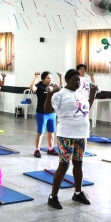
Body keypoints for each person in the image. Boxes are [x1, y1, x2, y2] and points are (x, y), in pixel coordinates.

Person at [44, 69, 97, 209]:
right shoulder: (60, 94)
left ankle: (78, 193)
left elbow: (87, 108)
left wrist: (93, 93)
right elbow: (47, 109)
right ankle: (53, 196)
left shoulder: (80, 94)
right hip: (66, 134)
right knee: (64, 165)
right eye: (75, 80)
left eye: (79, 80)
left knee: (78, 163)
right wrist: (50, 93)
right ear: (68, 80)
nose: (78, 82)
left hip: (81, 134)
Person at [30, 71, 63, 158]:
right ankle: (37, 150)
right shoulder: (40, 86)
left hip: (52, 113)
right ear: (43, 79)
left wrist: (61, 77)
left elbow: (61, 89)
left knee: (51, 132)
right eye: (48, 78)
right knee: (40, 132)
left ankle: (50, 149)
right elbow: (32, 88)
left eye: (51, 78)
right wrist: (35, 78)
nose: (50, 80)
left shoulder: (53, 86)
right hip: (41, 113)